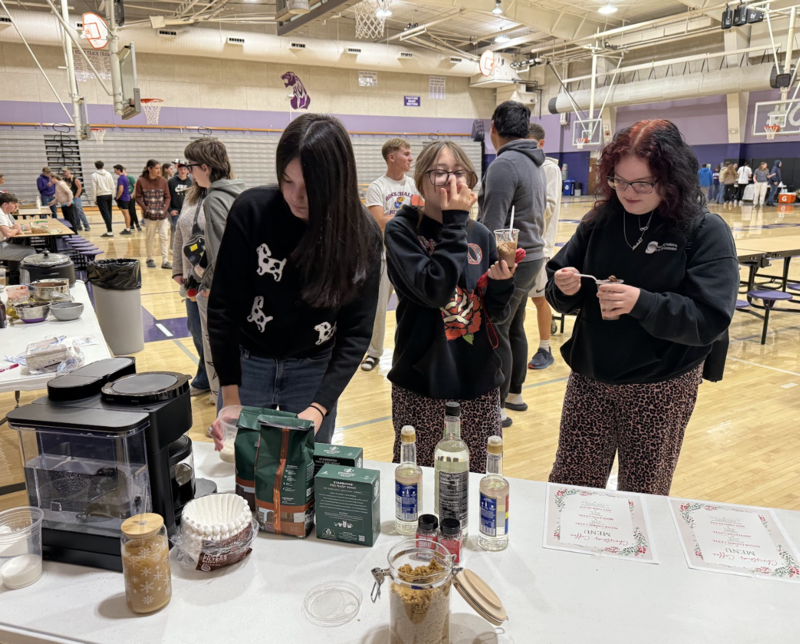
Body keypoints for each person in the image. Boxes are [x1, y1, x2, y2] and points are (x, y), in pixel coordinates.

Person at [546, 119, 739, 495]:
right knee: (570, 484)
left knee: (644, 493)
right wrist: (564, 287)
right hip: (591, 378)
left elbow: (709, 318)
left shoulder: (704, 231)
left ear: (671, 179)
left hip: (660, 384)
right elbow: (559, 283)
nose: (628, 192)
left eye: (642, 184)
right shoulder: (600, 221)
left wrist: (641, 302)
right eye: (619, 181)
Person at [208, 114, 382, 444]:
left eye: (310, 187)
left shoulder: (362, 233)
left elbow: (357, 331)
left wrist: (319, 407)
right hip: (248, 366)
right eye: (287, 181)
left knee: (305, 475)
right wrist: (230, 398)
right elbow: (223, 308)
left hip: (314, 371)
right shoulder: (251, 211)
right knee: (242, 462)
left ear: (337, 182)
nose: (296, 196)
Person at [386, 140, 515, 471]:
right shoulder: (403, 230)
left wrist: (501, 282)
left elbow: (493, 312)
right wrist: (456, 219)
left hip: (477, 381)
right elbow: (435, 291)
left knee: (476, 477)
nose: (452, 182)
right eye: (440, 173)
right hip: (422, 380)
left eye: (460, 173)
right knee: (419, 476)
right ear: (420, 180)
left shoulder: (483, 235)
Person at [478, 100, 547, 427]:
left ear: (494, 127)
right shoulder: (534, 162)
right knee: (514, 325)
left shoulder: (504, 164)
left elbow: (493, 222)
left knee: (497, 329)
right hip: (531, 255)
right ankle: (515, 394)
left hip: (512, 259)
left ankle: (498, 407)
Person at [183, 138, 246, 406]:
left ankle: (226, 415)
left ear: (205, 167)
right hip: (244, 289)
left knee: (217, 354)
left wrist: (206, 281)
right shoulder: (240, 191)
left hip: (224, 293)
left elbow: (222, 253)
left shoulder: (215, 199)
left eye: (191, 166)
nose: (189, 172)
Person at [360, 138, 419, 373]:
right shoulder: (377, 187)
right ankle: (374, 353)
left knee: (409, 308)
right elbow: (379, 222)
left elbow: (419, 218)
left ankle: (405, 352)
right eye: (406, 154)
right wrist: (407, 218)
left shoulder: (414, 185)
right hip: (383, 258)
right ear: (391, 157)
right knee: (378, 310)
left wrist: (399, 219)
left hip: (408, 257)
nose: (411, 158)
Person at [526, 123, 561, 370]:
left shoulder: (549, 169)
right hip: (519, 245)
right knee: (516, 301)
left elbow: (548, 208)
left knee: (540, 299)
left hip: (540, 246)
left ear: (540, 144)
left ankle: (545, 348)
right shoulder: (524, 167)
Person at [172, 174, 210, 398]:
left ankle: (222, 386)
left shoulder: (227, 197)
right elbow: (179, 234)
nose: (190, 173)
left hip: (216, 281)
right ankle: (205, 377)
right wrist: (178, 268)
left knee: (216, 336)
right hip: (191, 279)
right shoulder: (191, 196)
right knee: (196, 330)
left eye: (194, 166)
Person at [134, 160, 172, 269]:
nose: (159, 170)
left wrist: (164, 209)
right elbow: (138, 197)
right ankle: (149, 258)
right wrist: (146, 209)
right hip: (150, 216)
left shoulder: (163, 181)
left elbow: (168, 197)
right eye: (156, 168)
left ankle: (165, 260)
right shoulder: (141, 181)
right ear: (149, 169)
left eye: (159, 168)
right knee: (150, 238)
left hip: (162, 215)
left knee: (164, 237)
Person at [91, 160, 116, 237]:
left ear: (95, 166)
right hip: (109, 195)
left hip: (101, 195)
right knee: (109, 213)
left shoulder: (94, 175)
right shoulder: (108, 174)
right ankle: (109, 230)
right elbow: (113, 185)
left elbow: (94, 188)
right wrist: (113, 195)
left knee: (105, 214)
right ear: (103, 165)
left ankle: (109, 231)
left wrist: (94, 199)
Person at [61, 167, 89, 231]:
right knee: (74, 212)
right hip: (69, 198)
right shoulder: (63, 179)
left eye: (65, 171)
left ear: (69, 171)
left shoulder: (74, 179)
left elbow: (80, 188)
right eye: (63, 171)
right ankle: (78, 226)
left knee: (79, 211)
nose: (64, 173)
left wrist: (76, 196)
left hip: (75, 197)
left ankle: (86, 226)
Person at [167, 162, 192, 231]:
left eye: (185, 169)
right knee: (176, 233)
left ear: (188, 171)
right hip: (176, 212)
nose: (183, 171)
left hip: (187, 212)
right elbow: (166, 197)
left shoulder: (191, 182)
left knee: (187, 232)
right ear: (178, 170)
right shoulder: (171, 182)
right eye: (181, 169)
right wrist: (170, 210)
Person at [112, 165, 133, 235]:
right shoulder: (125, 177)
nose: (114, 171)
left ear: (118, 170)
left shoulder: (120, 178)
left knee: (126, 213)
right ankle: (128, 227)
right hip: (126, 197)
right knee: (126, 213)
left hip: (123, 198)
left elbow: (121, 189)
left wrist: (117, 197)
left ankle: (128, 229)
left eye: (115, 170)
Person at [125, 167, 142, 232]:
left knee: (132, 211)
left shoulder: (130, 177)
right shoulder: (122, 178)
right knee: (129, 211)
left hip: (131, 196)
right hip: (126, 197)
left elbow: (135, 186)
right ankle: (131, 225)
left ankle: (137, 224)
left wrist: (132, 194)